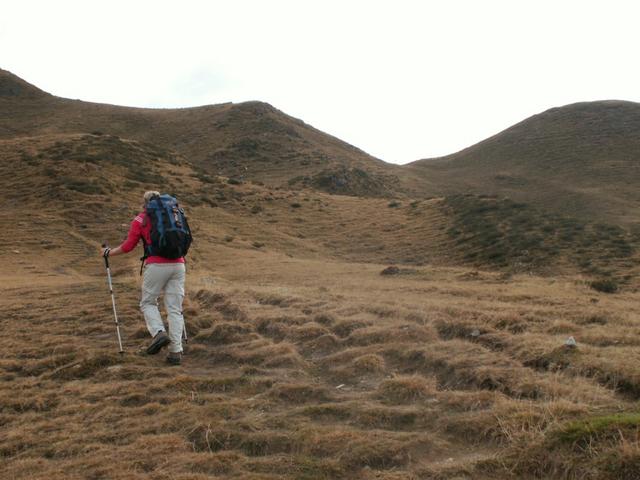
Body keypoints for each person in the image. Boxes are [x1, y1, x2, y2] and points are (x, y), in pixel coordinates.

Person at [101, 191, 186, 365]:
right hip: (179, 264)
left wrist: (109, 253)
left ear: (144, 203)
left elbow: (128, 246)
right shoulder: (175, 216)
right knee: (175, 309)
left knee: (148, 303)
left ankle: (159, 333)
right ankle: (175, 353)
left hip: (156, 265)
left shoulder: (141, 219)